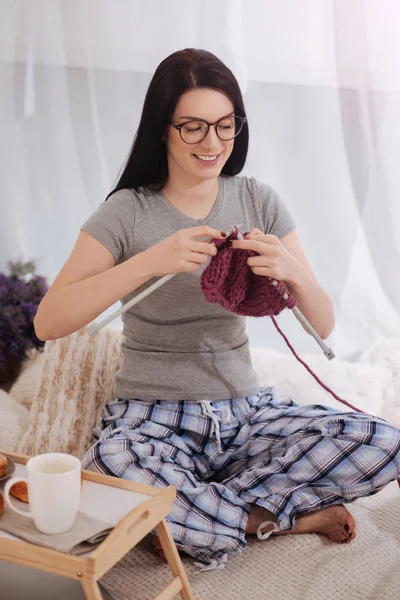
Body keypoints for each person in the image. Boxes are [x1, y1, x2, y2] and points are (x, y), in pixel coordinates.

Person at [34, 48, 400, 569]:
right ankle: (275, 516)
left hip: (244, 415)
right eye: (194, 127)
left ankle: (204, 510)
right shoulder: (126, 211)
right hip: (152, 420)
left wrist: (291, 271)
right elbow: (49, 320)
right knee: (112, 465)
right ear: (162, 128)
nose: (213, 143)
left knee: (381, 438)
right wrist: (148, 262)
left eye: (226, 126)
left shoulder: (257, 199)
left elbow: (324, 323)